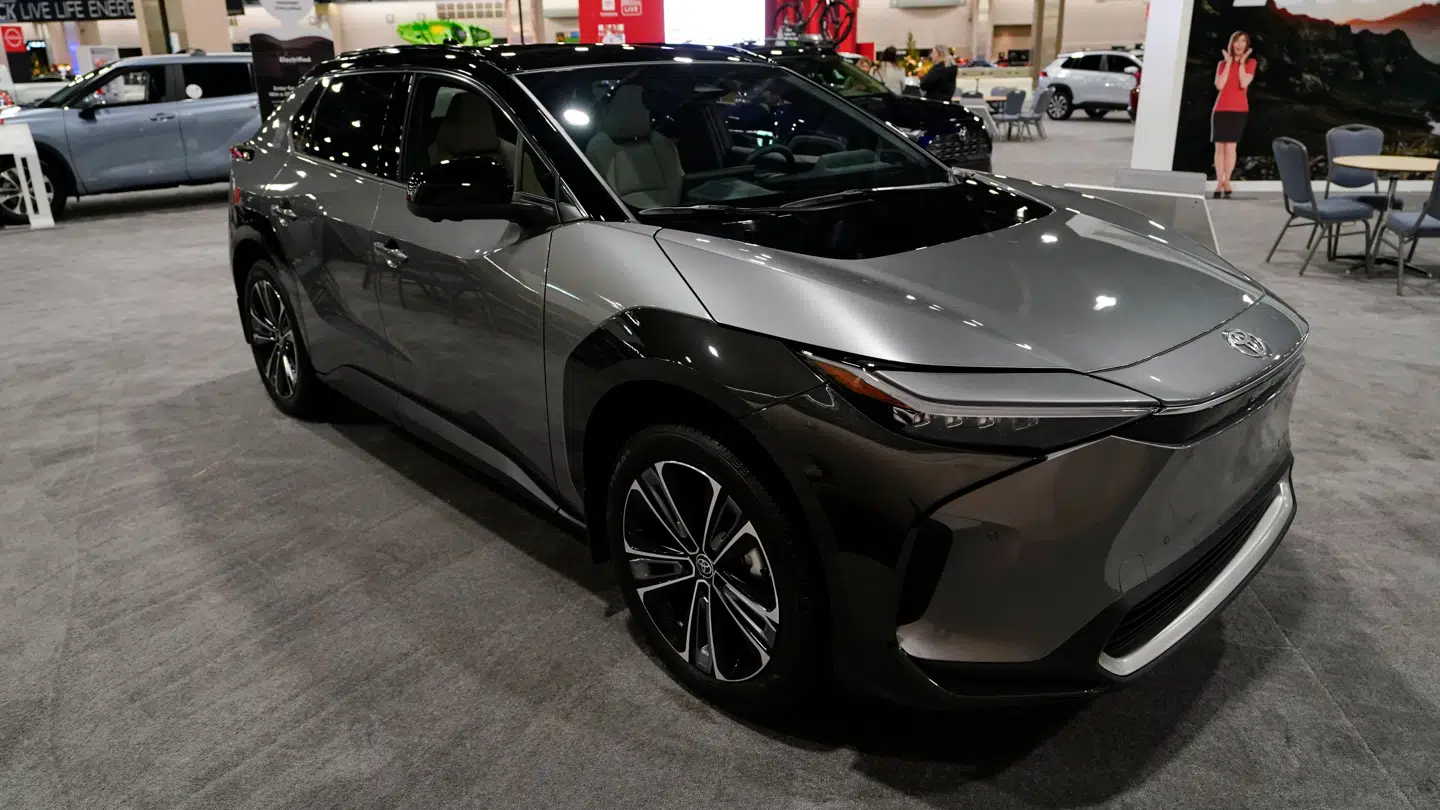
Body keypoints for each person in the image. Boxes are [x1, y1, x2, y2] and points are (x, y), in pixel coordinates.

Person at [1212, 30, 1256, 199]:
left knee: (1231, 147)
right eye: (1236, 41)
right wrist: (1229, 64)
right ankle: (1219, 181)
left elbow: (1244, 82)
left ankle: (1227, 181)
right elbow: (1219, 85)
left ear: (1246, 45)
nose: (1239, 45)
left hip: (1239, 110)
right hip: (1220, 109)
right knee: (1219, 148)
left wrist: (1241, 63)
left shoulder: (1251, 63)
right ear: (1232, 44)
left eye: (1243, 41)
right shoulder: (1222, 64)